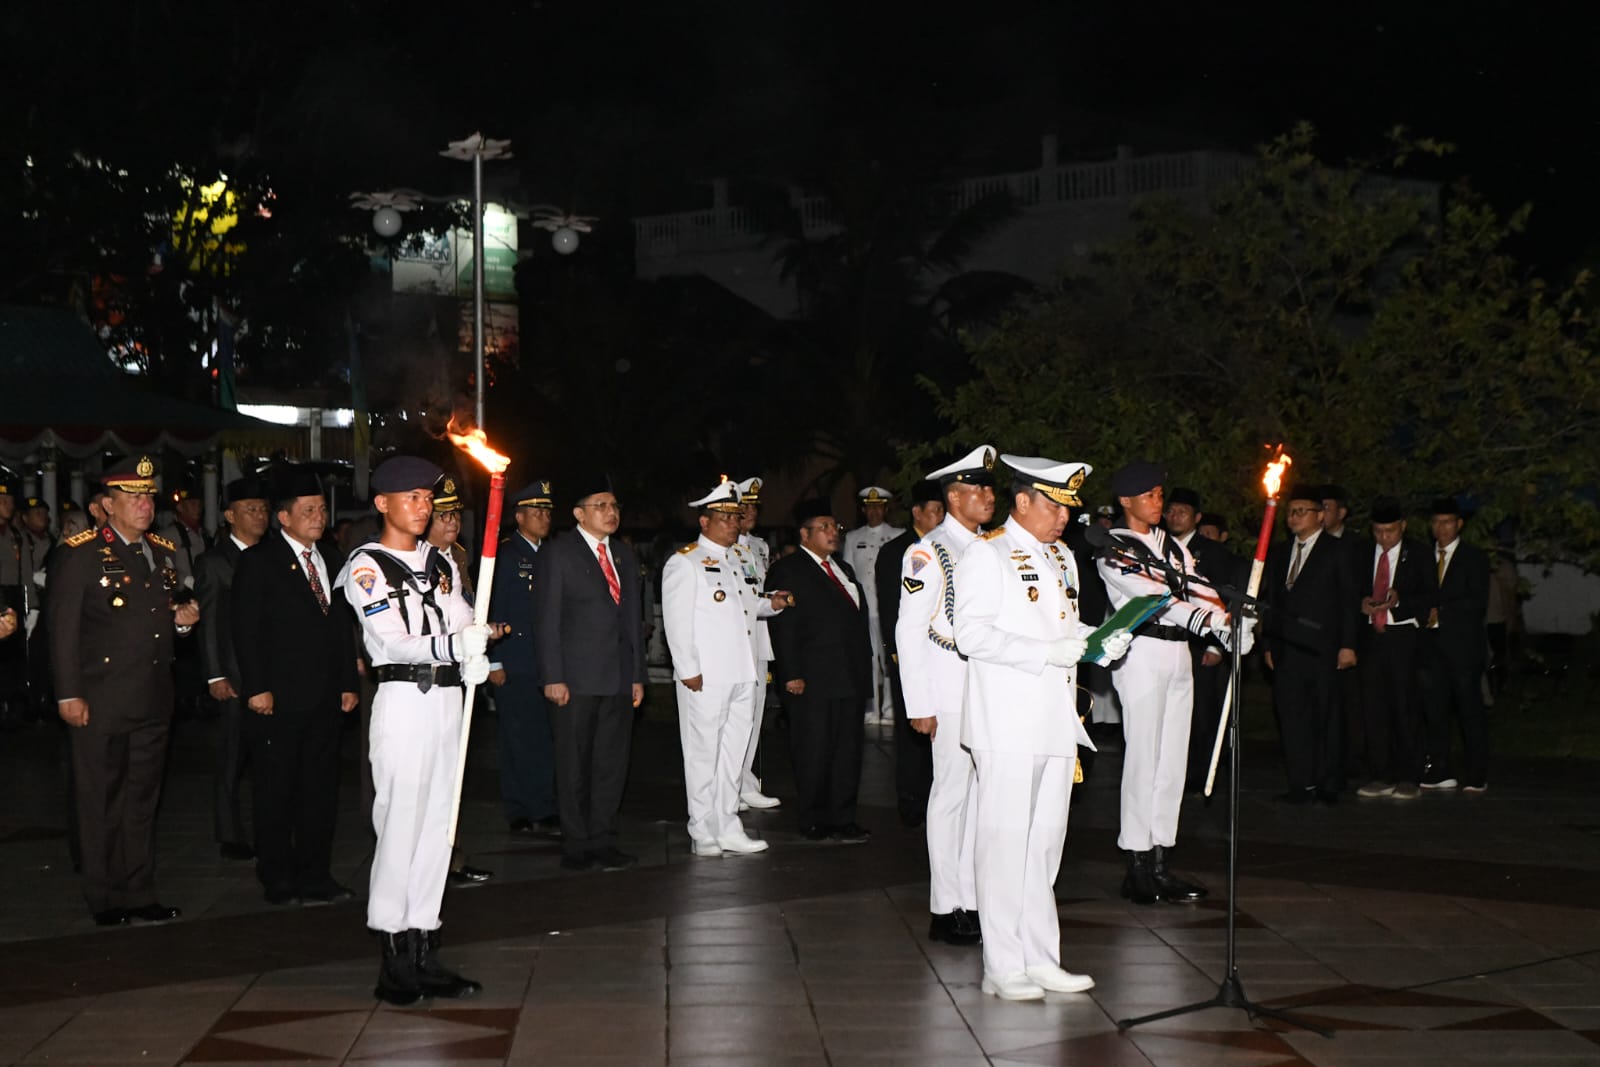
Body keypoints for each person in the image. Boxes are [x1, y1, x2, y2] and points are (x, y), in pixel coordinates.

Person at [955, 455, 1130, 1000]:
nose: (1063, 519)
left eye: (1068, 510)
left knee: (1045, 845)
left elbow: (1063, 624)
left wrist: (1101, 638)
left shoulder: (1060, 557)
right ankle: (1002, 964)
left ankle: (1040, 956)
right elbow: (971, 635)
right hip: (1007, 721)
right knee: (1004, 843)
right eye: (1054, 506)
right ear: (1023, 501)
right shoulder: (987, 556)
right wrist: (1046, 652)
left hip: (1055, 719)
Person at [336, 457, 492, 1005]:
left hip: (448, 699)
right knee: (401, 821)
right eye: (412, 498)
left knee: (438, 826)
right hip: (404, 699)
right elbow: (390, 640)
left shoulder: (436, 560)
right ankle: (392, 955)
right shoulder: (367, 566)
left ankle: (425, 944)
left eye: (428, 498)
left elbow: (457, 614)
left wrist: (475, 642)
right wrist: (453, 645)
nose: (424, 508)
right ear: (383, 503)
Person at [48, 454, 196, 926]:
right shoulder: (81, 552)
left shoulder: (162, 551)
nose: (143, 505)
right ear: (106, 504)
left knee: (141, 800)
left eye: (148, 496)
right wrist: (68, 693)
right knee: (101, 800)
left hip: (152, 694)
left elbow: (157, 620)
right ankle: (104, 896)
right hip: (102, 697)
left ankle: (138, 890)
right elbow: (63, 629)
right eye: (131, 497)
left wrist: (182, 623)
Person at [1098, 462, 1234, 905]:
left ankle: (1161, 860)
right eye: (1150, 495)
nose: (1159, 502)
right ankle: (1135, 862)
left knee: (1173, 760)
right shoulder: (1115, 546)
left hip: (1179, 654)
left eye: (1160, 494)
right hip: (1142, 653)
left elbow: (1199, 588)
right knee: (1144, 758)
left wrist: (1230, 623)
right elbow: (1152, 598)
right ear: (1126, 501)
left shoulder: (1172, 547)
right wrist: (1205, 620)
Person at [232, 468, 361, 906]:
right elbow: (246, 630)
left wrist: (348, 681)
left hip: (325, 695)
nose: (318, 518)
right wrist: (257, 687)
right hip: (279, 696)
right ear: (283, 518)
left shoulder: (332, 557)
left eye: (322, 510)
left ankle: (316, 873)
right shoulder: (258, 561)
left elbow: (341, 625)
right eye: (308, 511)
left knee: (320, 790)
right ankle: (278, 876)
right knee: (276, 788)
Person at [896, 447, 997, 945]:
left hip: (986, 689)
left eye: (989, 489)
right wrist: (920, 705)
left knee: (981, 798)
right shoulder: (930, 550)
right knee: (951, 796)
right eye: (977, 489)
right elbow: (909, 630)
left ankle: (972, 900)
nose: (988, 497)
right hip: (950, 689)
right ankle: (945, 905)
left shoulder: (990, 546)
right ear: (953, 496)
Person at [662, 480, 789, 856]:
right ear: (704, 522)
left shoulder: (738, 559)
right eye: (725, 517)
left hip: (742, 671)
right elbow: (676, 621)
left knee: (734, 754)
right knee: (703, 753)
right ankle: (702, 828)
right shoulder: (685, 562)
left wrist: (773, 603)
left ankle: (728, 823)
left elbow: (747, 607)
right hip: (706, 675)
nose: (734, 523)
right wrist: (687, 668)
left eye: (736, 516)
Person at [532, 474, 647, 872]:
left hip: (616, 678)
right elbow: (546, 619)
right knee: (574, 764)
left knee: (611, 765)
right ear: (579, 514)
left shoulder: (624, 555)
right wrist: (552, 676)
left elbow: (632, 620)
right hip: (575, 680)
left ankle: (604, 838)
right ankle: (577, 844)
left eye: (614, 505)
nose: (611, 512)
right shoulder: (559, 553)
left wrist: (636, 675)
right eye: (601, 506)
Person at [765, 499, 872, 842]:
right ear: (804, 534)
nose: (832, 533)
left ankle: (842, 817)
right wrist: (791, 673)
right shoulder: (789, 569)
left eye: (834, 527)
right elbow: (784, 626)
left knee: (847, 751)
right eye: (824, 527)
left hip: (848, 676)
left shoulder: (843, 568)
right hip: (812, 678)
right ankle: (813, 817)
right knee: (813, 749)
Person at [1262, 485, 1359, 805]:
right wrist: (1268, 644)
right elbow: (1270, 600)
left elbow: (1348, 601)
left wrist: (1348, 645)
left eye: (1301, 511)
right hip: (1287, 649)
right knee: (1293, 717)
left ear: (1320, 516)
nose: (1294, 517)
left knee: (1327, 715)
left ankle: (1328, 781)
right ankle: (1299, 782)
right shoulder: (1278, 553)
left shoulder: (1337, 550)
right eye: (1291, 512)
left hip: (1323, 647)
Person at [422, 478, 496, 887]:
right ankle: (431, 861)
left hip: (458, 671)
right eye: (443, 515)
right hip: (426, 675)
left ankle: (453, 854)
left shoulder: (459, 555)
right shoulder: (417, 558)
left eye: (455, 515)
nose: (452, 523)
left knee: (453, 774)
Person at [195, 476, 271, 862]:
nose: (259, 516)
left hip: (270, 674)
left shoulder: (274, 555)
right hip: (234, 674)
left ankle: (268, 828)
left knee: (267, 757)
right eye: (250, 510)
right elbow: (209, 622)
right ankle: (229, 833)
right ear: (230, 516)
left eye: (262, 509)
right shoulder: (215, 561)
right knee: (231, 756)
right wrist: (215, 674)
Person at [487, 479, 561, 842]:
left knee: (543, 737)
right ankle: (523, 808)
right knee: (518, 736)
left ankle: (540, 805)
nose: (544, 518)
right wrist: (494, 662)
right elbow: (493, 608)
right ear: (519, 516)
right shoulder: (506, 554)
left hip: (545, 661)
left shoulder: (549, 553)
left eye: (547, 511)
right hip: (515, 659)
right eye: (537, 512)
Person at [1353, 497, 1436, 800]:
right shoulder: (1361, 553)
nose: (1384, 537)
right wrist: (1360, 604)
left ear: (1402, 526)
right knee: (1373, 708)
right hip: (1371, 638)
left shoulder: (1420, 554)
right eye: (1378, 531)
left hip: (1403, 638)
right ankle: (1380, 773)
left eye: (1389, 531)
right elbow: (1348, 590)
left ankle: (1409, 774)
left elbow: (1430, 596)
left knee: (1405, 706)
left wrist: (1399, 601)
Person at [1162, 487, 1242, 793]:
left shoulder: (1213, 552)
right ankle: (1173, 772)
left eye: (1182, 512)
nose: (1174, 516)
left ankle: (1199, 773)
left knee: (1202, 711)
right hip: (1167, 639)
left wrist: (1215, 645)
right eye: (1171, 510)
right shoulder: (1157, 546)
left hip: (1202, 642)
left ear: (1196, 518)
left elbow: (1223, 598)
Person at [874, 480, 944, 828]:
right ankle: (912, 801)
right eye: (934, 510)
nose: (940, 516)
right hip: (912, 657)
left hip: (945, 659)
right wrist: (897, 655)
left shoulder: (947, 547)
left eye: (942, 510)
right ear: (917, 513)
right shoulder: (898, 551)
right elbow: (891, 612)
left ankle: (938, 798)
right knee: (912, 735)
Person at [1419, 498, 1491, 792]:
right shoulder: (1424, 557)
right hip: (1432, 646)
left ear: (1459, 524)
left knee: (1468, 711)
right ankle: (1439, 769)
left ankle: (1476, 773)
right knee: (1435, 710)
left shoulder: (1473, 558)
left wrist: (1442, 611)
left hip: (1462, 648)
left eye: (1447, 522)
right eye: (1437, 522)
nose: (1441, 528)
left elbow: (1476, 601)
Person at [734, 476, 781, 811]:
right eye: (745, 506)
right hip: (735, 641)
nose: (751, 512)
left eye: (755, 507)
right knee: (733, 717)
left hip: (760, 636)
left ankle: (745, 780)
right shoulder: (725, 548)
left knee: (754, 713)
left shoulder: (760, 546)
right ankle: (730, 784)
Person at [842, 486, 903, 724]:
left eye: (878, 507)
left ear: (885, 509)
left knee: (890, 658)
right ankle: (871, 709)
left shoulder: (898, 534)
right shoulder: (853, 537)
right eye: (870, 507)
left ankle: (890, 708)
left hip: (889, 608)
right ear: (863, 510)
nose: (874, 511)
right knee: (867, 659)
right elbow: (849, 575)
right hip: (865, 609)